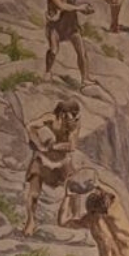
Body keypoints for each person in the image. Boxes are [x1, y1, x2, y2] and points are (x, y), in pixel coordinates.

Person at [21, 97, 80, 238]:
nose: (72, 118)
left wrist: (53, 146)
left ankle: (75, 217)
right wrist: (39, 144)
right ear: (62, 113)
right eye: (70, 114)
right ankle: (31, 221)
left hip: (62, 161)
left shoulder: (74, 124)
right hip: (43, 159)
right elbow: (30, 126)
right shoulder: (50, 118)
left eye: (75, 114)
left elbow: (72, 146)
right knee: (34, 192)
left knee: (75, 185)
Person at [42, 0, 104, 88]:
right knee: (53, 50)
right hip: (56, 25)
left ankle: (85, 79)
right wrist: (80, 8)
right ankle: (48, 72)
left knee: (81, 51)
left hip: (70, 24)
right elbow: (61, 5)